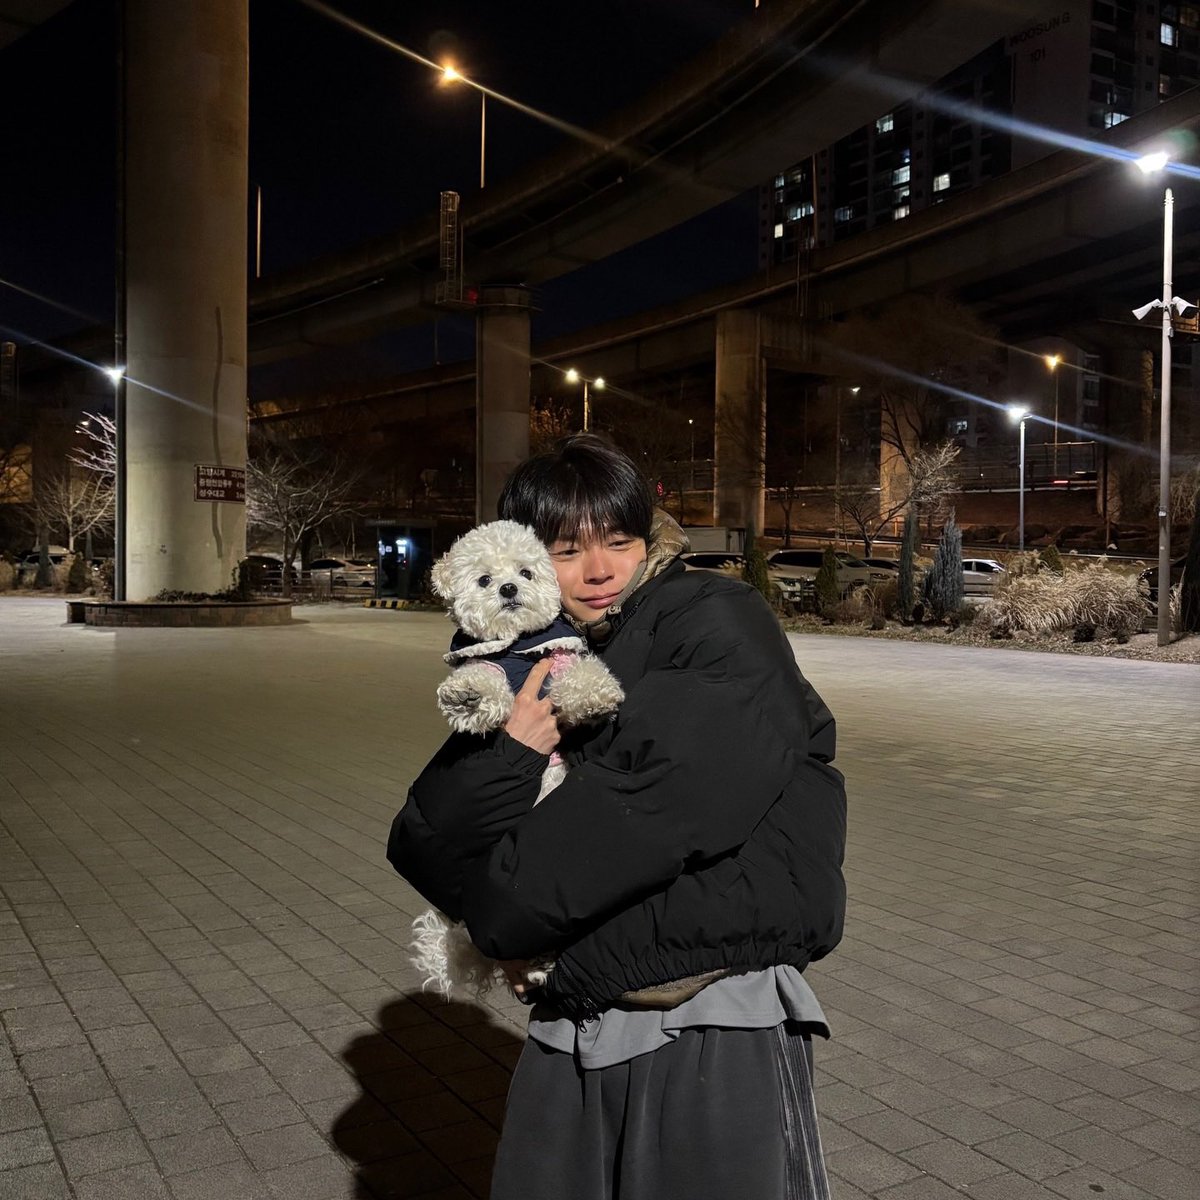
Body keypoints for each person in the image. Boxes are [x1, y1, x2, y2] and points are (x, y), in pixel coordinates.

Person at [388, 433, 847, 1200]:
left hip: (707, 1010)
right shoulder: (530, 654)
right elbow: (423, 840)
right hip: (581, 1004)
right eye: (567, 551)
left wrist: (502, 921)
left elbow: (662, 797)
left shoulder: (712, 616)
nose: (599, 571)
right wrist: (515, 749)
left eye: (620, 542)